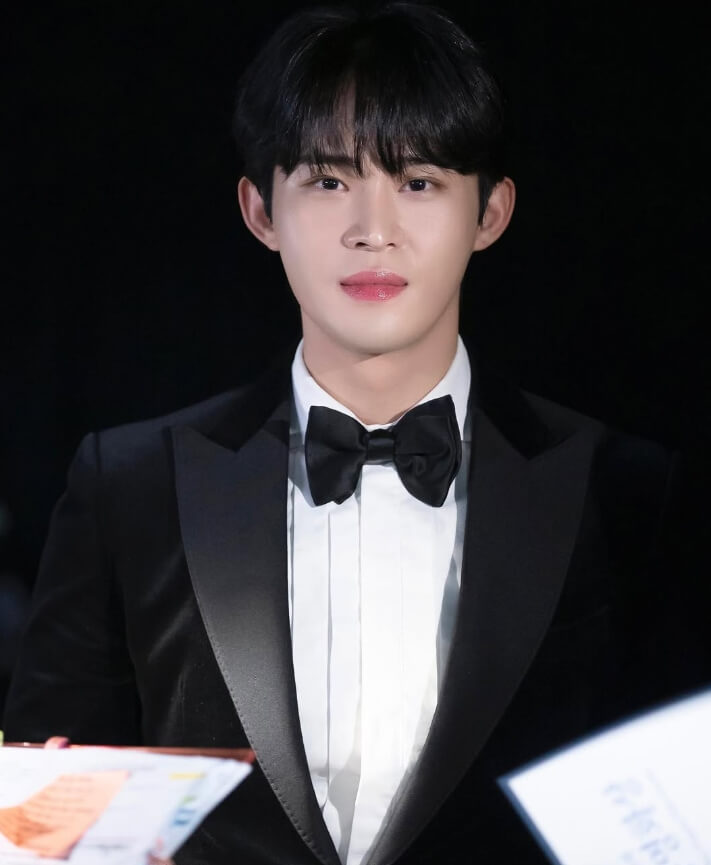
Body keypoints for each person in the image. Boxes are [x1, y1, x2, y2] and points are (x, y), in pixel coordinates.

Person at [3, 3, 703, 864]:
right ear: (261, 210)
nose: (373, 230)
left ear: (489, 212)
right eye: (328, 181)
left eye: (418, 183)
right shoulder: (135, 483)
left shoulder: (623, 490)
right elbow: (41, 815)